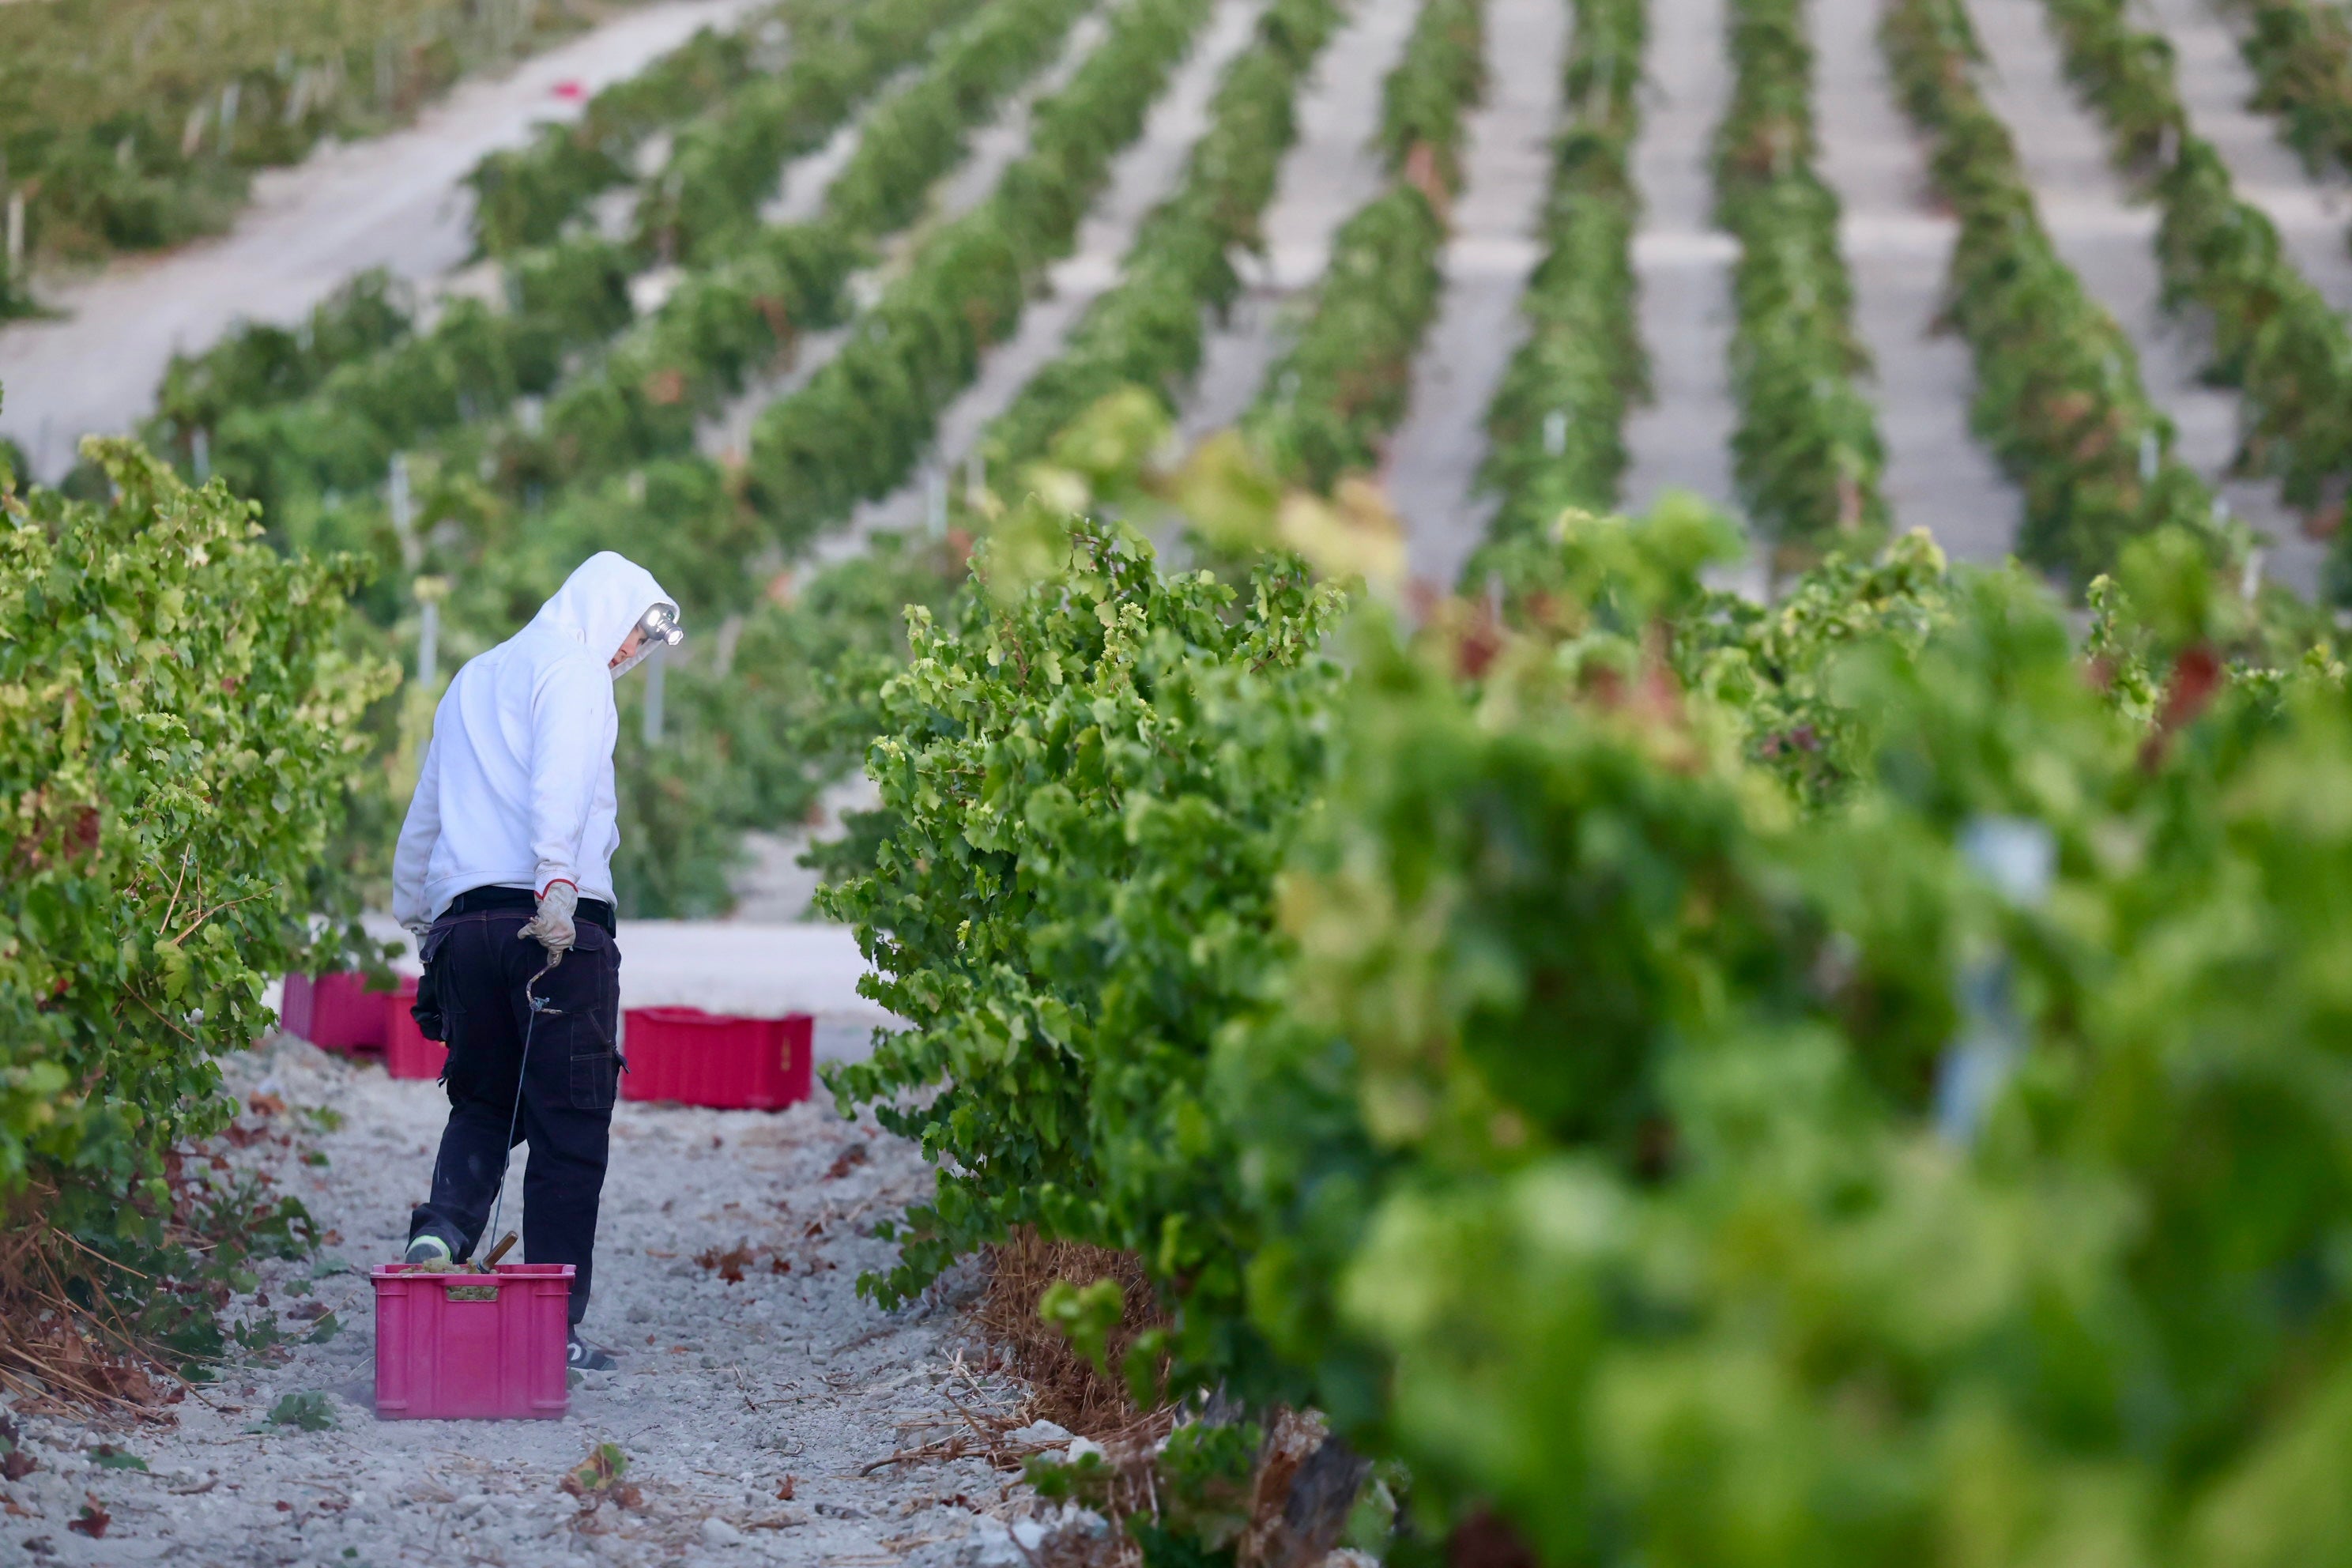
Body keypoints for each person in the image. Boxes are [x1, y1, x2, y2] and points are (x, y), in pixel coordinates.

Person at [390, 552, 683, 1371]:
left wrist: (417, 909)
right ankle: (552, 1327)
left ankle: (441, 1233)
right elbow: (563, 778)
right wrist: (558, 881)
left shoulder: (473, 676)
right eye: (632, 632)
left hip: (465, 925)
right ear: (606, 607)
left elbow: (426, 813)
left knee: (483, 1101)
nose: (630, 653)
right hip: (555, 925)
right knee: (570, 1124)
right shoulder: (573, 669)